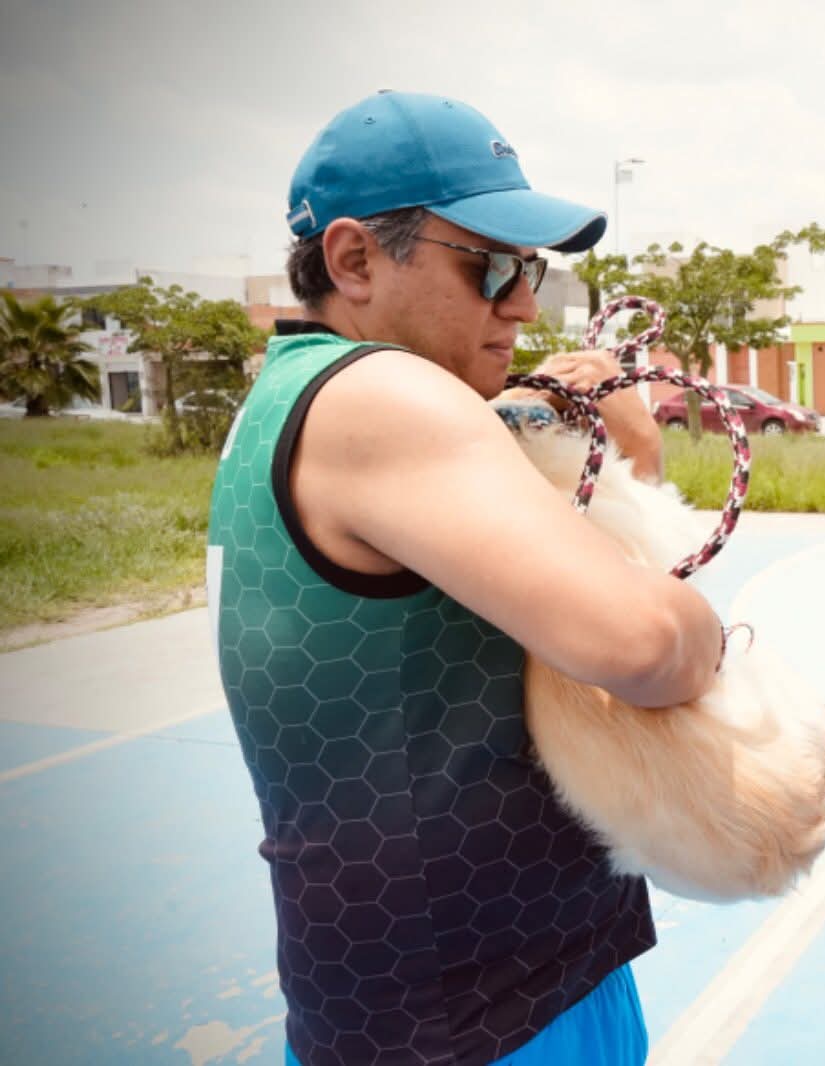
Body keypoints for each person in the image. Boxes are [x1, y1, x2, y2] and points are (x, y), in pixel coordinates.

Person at [206, 90, 725, 1066]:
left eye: (528, 268)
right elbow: (644, 646)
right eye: (487, 265)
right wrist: (700, 624)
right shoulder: (384, 393)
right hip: (482, 1018)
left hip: (440, 994)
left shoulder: (288, 394)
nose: (524, 302)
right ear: (354, 260)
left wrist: (575, 439)